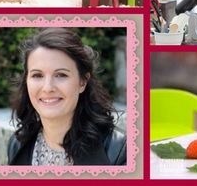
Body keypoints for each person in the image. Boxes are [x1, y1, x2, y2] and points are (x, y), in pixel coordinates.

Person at [7, 28, 126, 165]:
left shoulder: (119, 150)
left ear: (82, 82)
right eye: (37, 75)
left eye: (61, 75)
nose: (48, 88)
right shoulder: (16, 145)